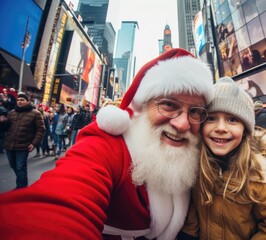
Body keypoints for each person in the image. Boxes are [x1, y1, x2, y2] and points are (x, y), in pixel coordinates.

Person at [0, 48, 214, 240]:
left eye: (195, 112)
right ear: (141, 107)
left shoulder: (200, 155)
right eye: (168, 104)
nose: (183, 124)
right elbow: (56, 209)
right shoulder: (108, 145)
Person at [178, 77, 266, 239]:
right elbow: (193, 214)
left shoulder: (264, 176)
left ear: (245, 129)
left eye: (232, 120)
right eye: (211, 118)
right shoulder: (196, 166)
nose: (220, 128)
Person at [0, 92, 45, 189]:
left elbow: (41, 130)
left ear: (28, 102)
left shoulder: (35, 113)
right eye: (18, 100)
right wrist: (2, 122)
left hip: (24, 145)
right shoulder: (12, 112)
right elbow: (5, 128)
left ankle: (21, 187)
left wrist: (34, 143)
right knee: (13, 165)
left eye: (22, 100)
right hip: (9, 144)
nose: (19, 102)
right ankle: (22, 182)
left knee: (20, 167)